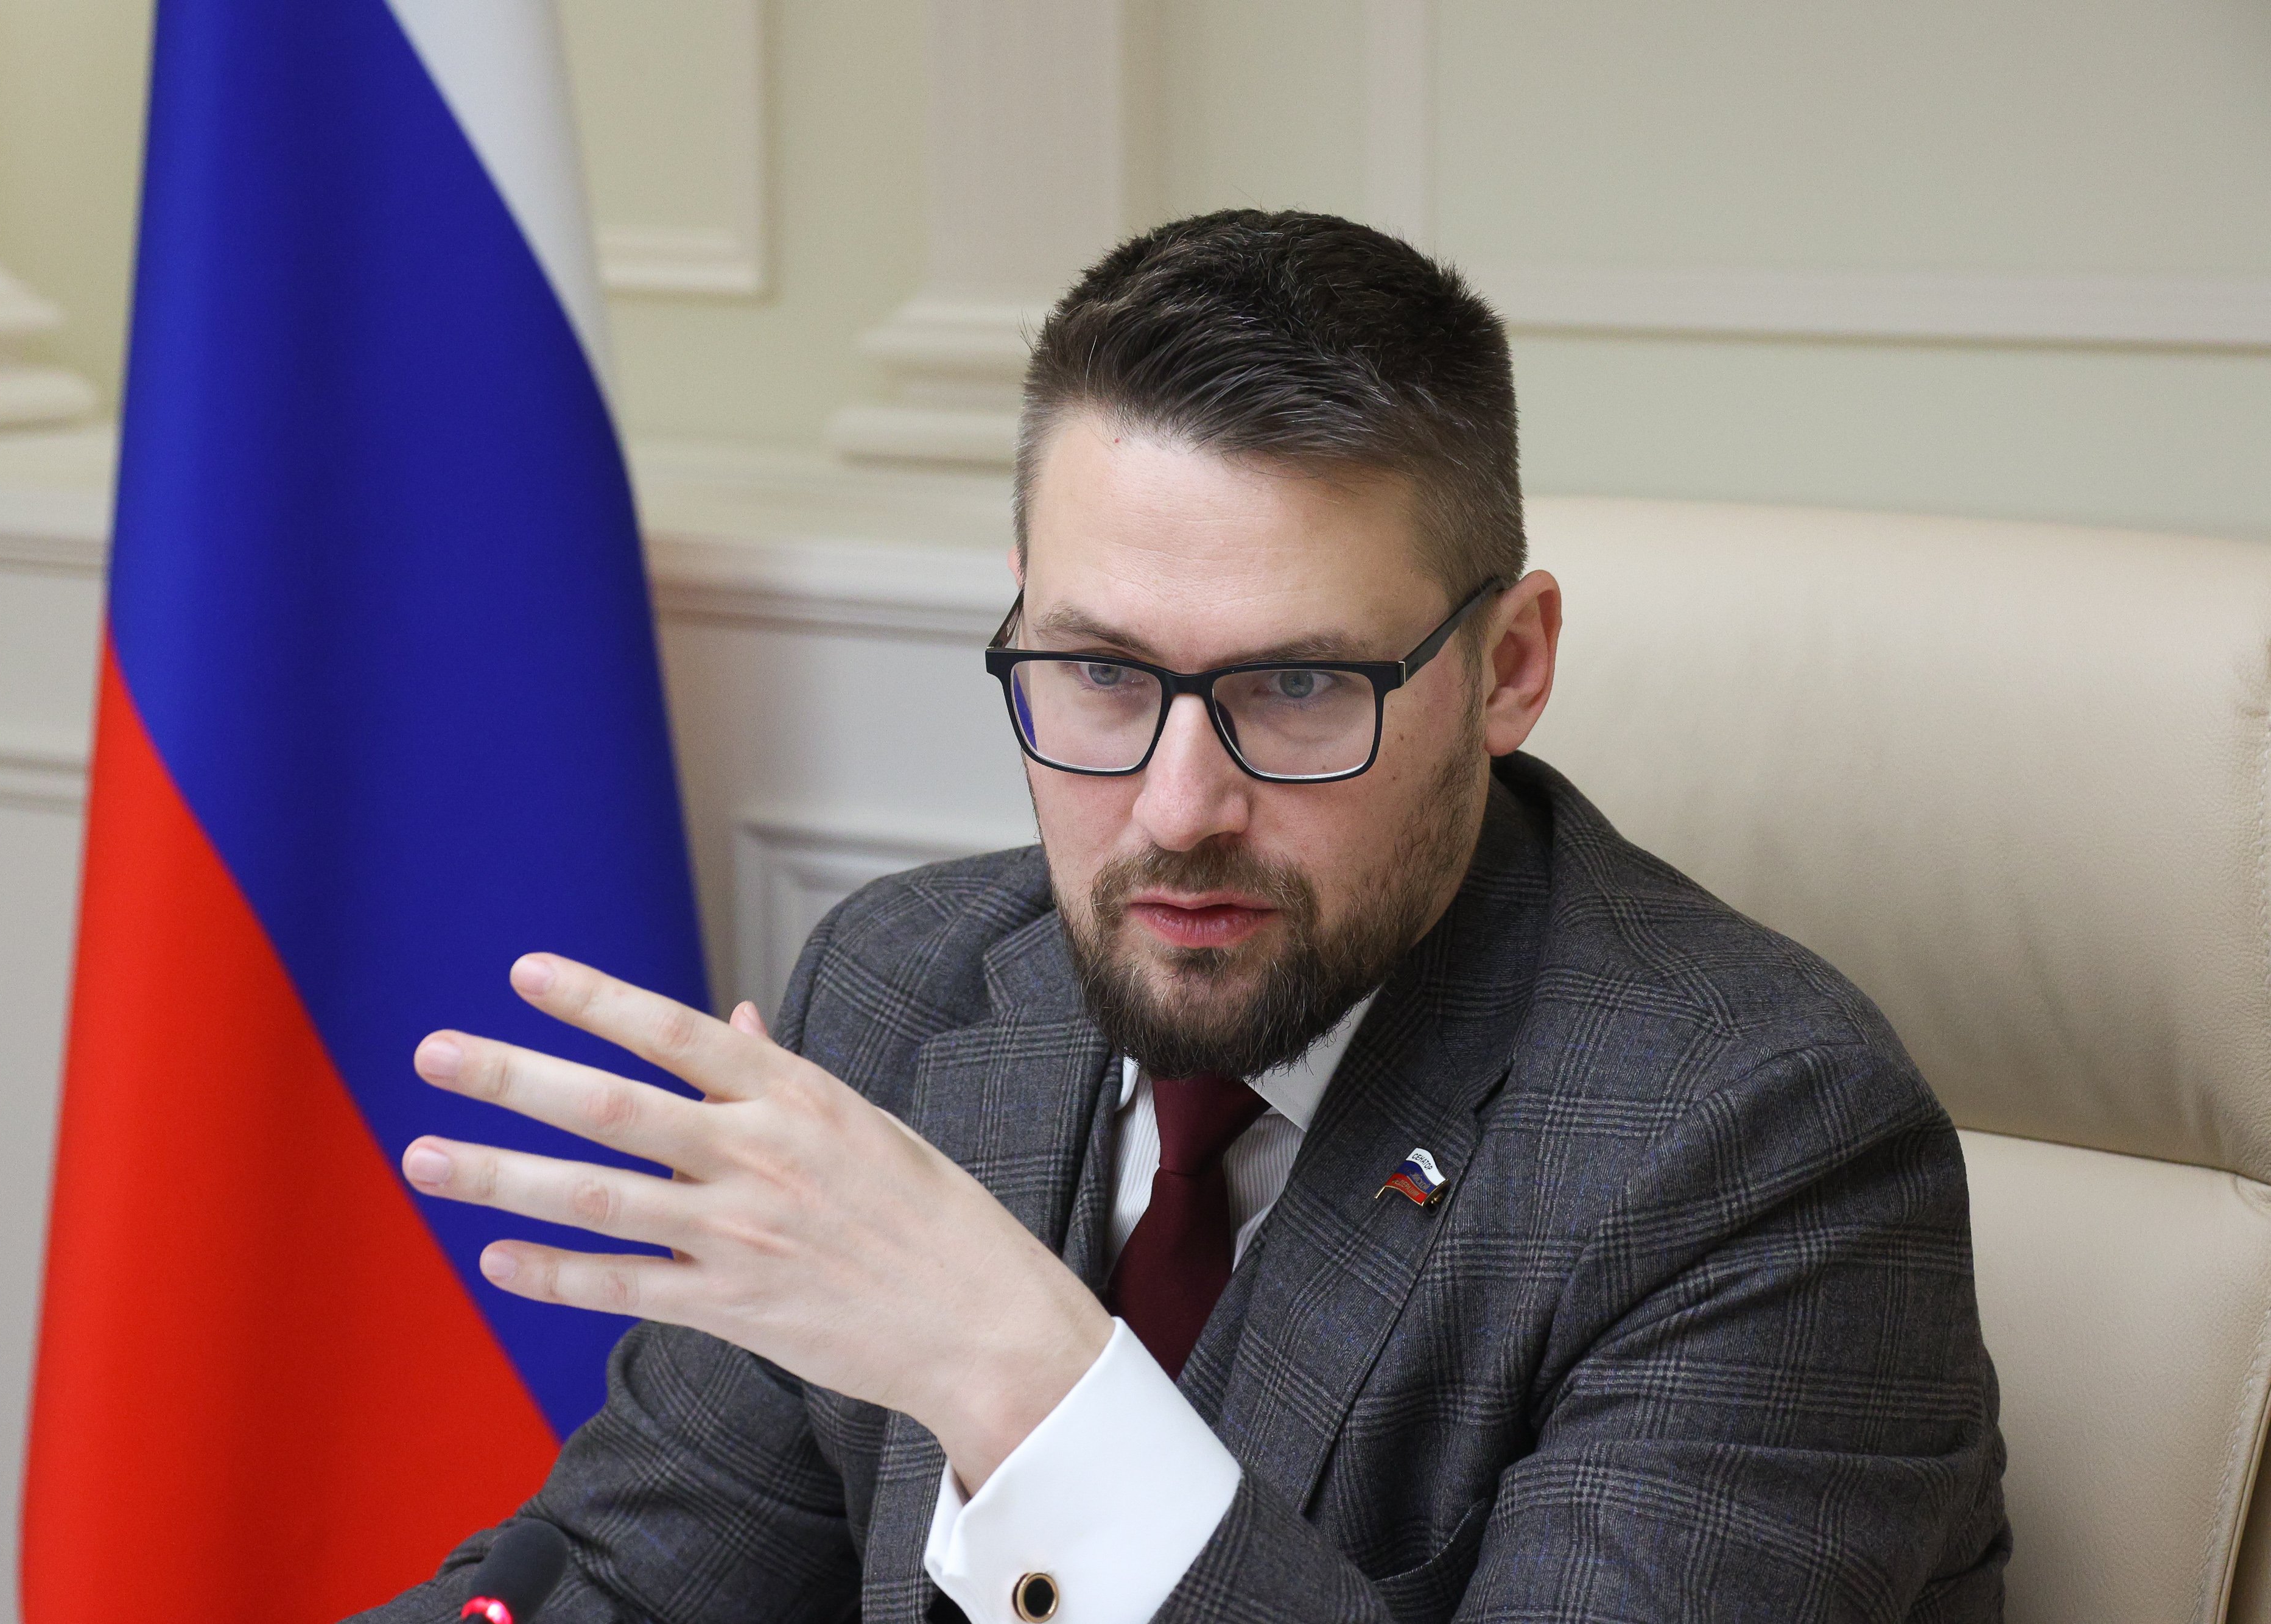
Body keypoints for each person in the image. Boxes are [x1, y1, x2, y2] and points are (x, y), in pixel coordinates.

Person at [356, 210, 2009, 1623]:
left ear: (1509, 668)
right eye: (1100, 671)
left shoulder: (1759, 1148)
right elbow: (625, 1584)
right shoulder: (906, 985)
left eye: (1297, 687)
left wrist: (1019, 1370)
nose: (1175, 808)